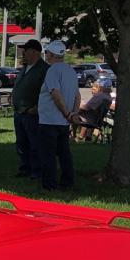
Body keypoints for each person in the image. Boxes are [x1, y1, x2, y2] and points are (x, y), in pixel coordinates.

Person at [35, 40, 80, 190]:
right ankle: (68, 181)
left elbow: (55, 93)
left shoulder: (52, 70)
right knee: (64, 153)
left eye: (47, 52)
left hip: (49, 120)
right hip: (64, 122)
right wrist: (73, 114)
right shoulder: (71, 71)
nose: (46, 55)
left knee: (48, 154)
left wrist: (67, 113)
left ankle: (50, 185)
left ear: (52, 54)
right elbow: (77, 96)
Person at [9, 39, 46, 179]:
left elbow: (47, 92)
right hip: (19, 112)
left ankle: (37, 171)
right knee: (21, 142)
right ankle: (25, 168)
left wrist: (37, 107)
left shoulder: (44, 69)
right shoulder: (25, 68)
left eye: (26, 50)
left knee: (35, 143)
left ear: (35, 52)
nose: (23, 53)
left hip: (32, 113)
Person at [74, 78, 112, 142]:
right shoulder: (108, 97)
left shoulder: (100, 96)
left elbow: (86, 107)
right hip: (96, 120)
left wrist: (77, 105)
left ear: (101, 87)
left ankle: (74, 137)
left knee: (71, 113)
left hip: (88, 120)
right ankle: (86, 137)